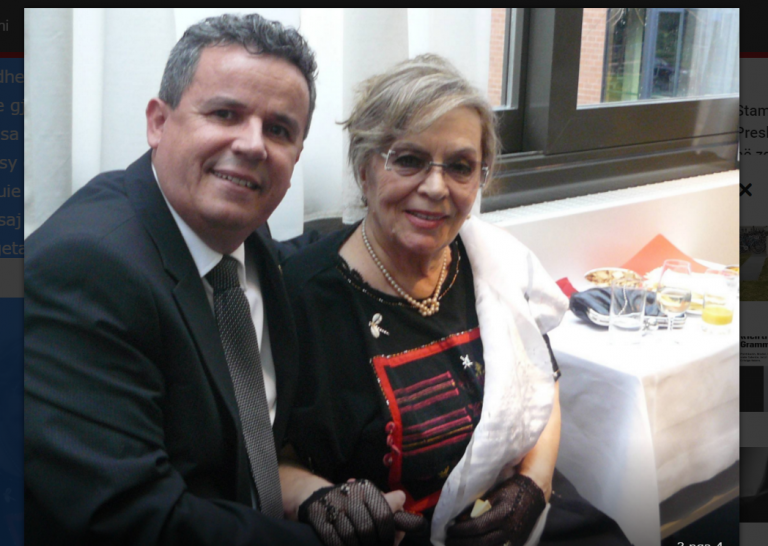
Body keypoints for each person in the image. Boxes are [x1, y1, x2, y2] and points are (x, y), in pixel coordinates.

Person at [24, 13, 393, 546]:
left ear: (296, 157)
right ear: (158, 122)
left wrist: (313, 495)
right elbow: (132, 518)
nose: (253, 145)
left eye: (279, 130)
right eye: (225, 114)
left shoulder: (243, 230)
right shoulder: (85, 270)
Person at [281, 55, 632, 546]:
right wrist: (317, 496)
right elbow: (263, 454)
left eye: (461, 167)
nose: (435, 187)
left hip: (513, 520)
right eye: (409, 160)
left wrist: (534, 484)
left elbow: (541, 385)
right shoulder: (298, 295)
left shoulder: (495, 264)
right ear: (364, 170)